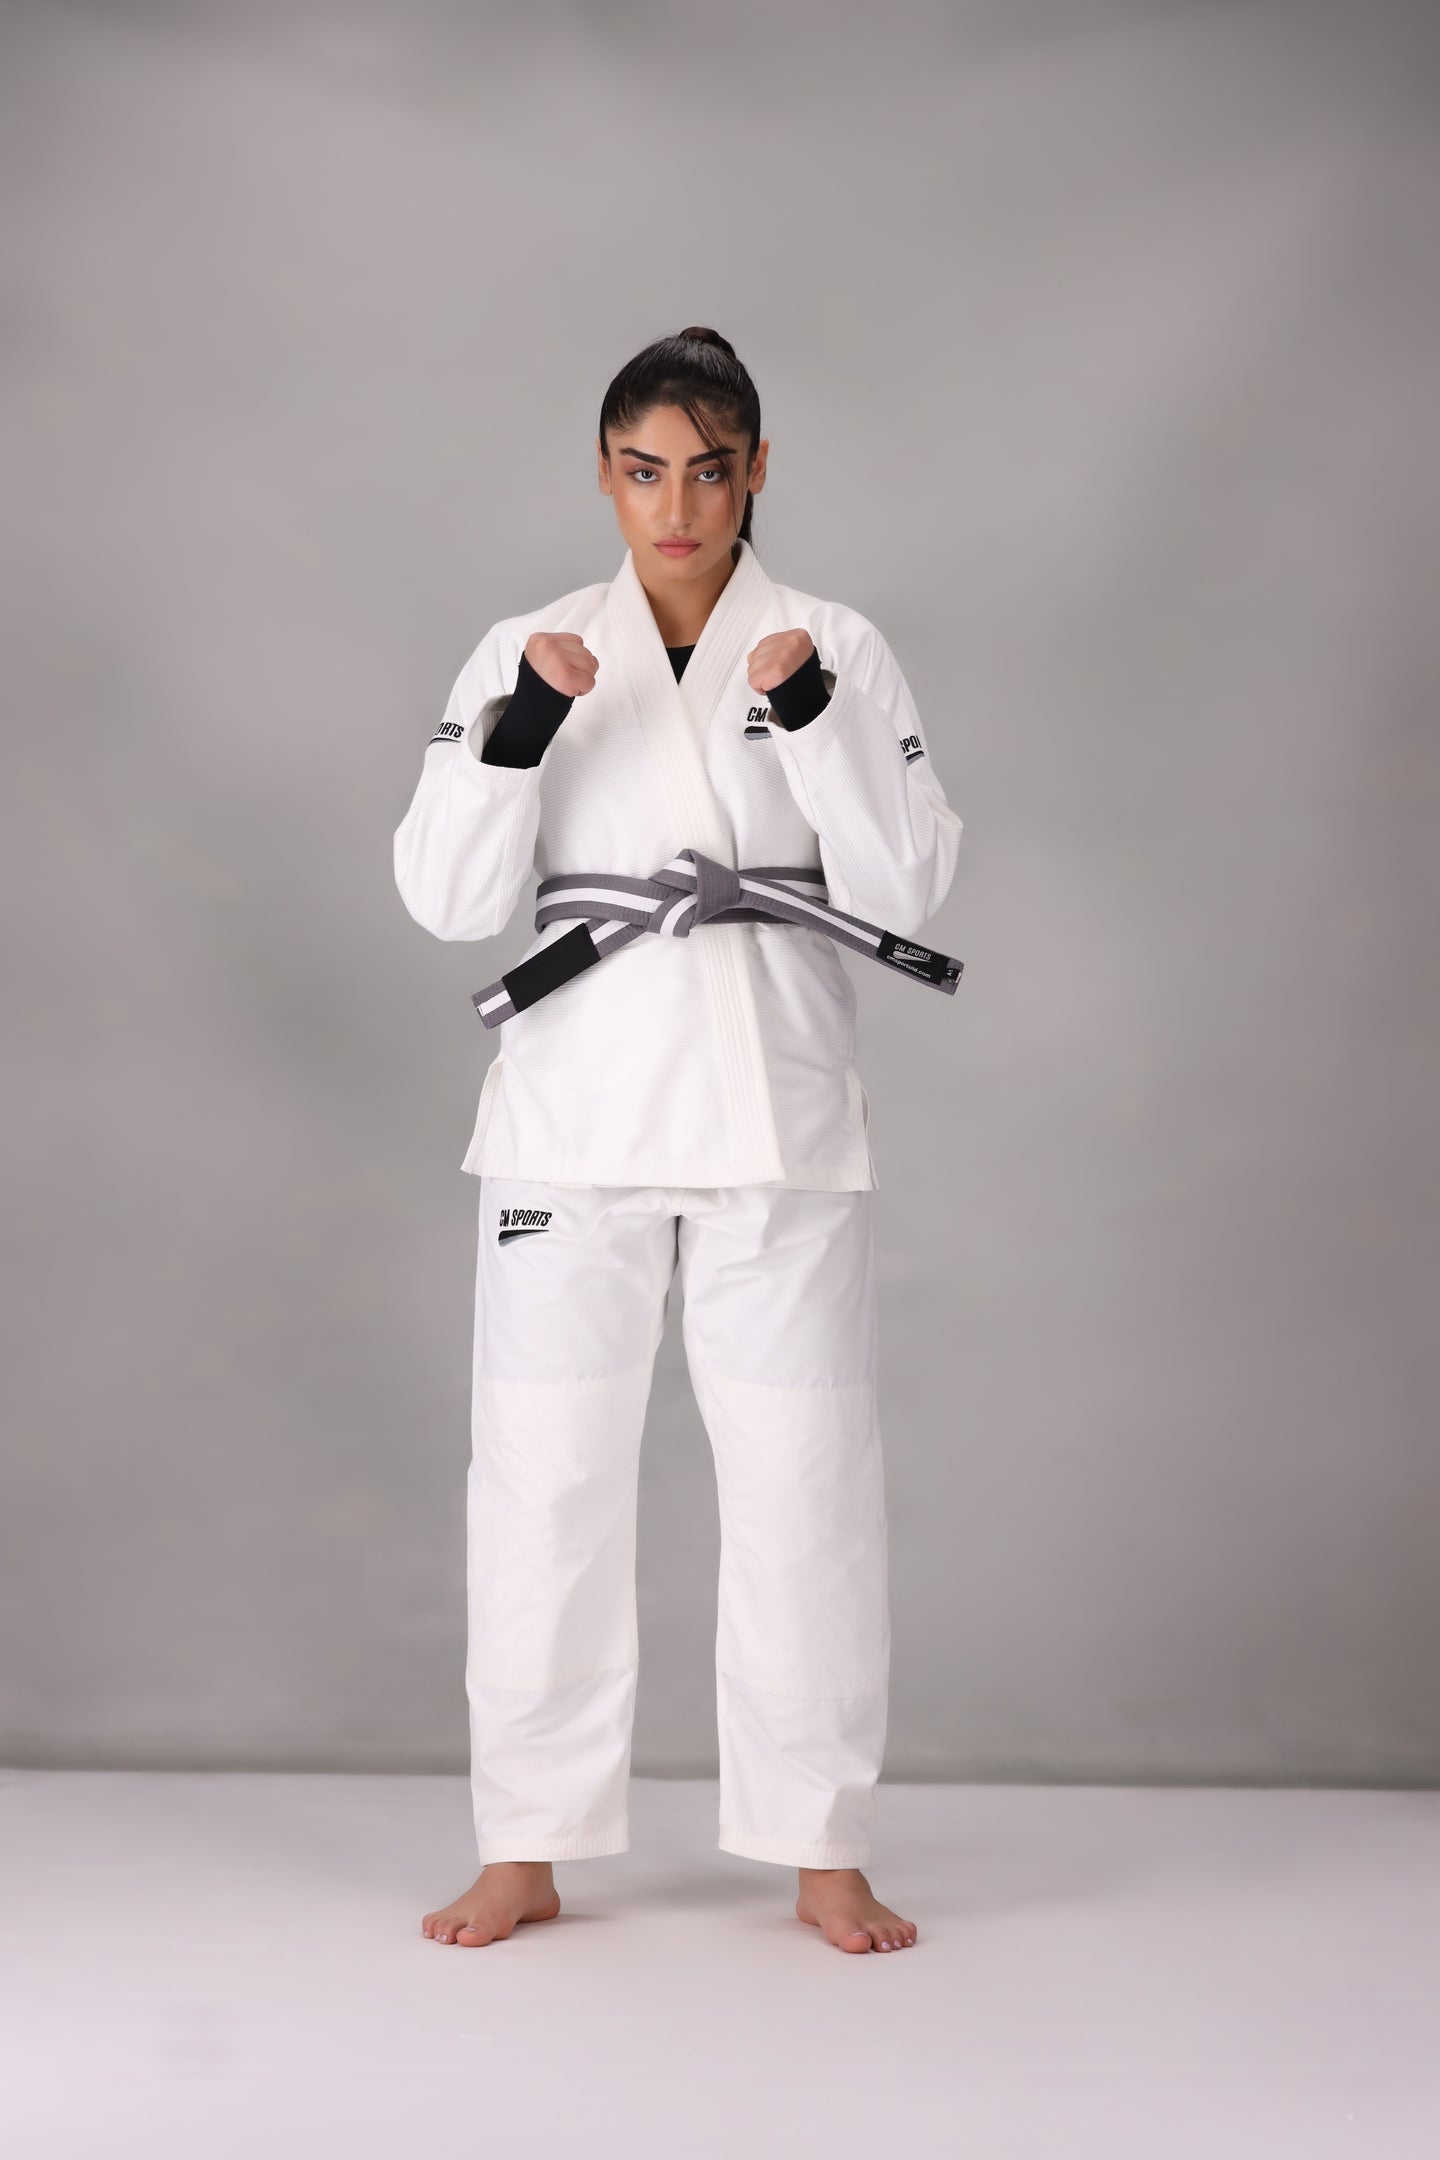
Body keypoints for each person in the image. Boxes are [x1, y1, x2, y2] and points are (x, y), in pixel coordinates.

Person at [394, 326, 963, 1954]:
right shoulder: (528, 647)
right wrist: (520, 725)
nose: (679, 508)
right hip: (569, 1120)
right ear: (605, 474)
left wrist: (816, 717)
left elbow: (911, 885)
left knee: (805, 1487)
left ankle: (821, 1846)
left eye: (711, 472)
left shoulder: (833, 642)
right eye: (646, 472)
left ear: (757, 470)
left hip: (777, 1116)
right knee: (542, 1484)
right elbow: (444, 896)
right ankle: (526, 1840)